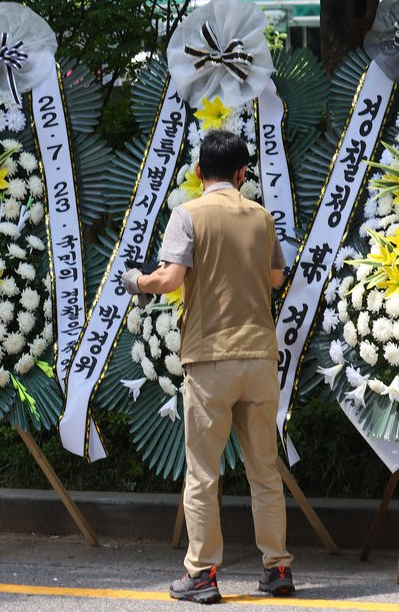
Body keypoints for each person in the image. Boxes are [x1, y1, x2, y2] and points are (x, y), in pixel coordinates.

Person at [122, 129, 294, 604]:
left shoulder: (189, 213)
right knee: (265, 470)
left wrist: (136, 280)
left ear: (199, 172)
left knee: (203, 473)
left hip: (210, 358)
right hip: (260, 357)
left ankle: (202, 574)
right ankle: (278, 568)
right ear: (243, 174)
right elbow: (276, 277)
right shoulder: (261, 217)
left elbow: (170, 278)